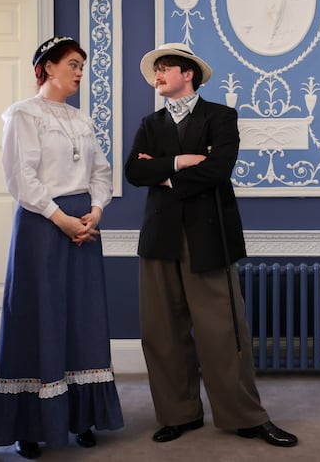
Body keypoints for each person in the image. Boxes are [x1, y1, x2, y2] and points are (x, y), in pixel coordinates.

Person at [125, 42, 298, 448]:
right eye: (156, 70)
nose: (158, 75)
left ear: (188, 74)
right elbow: (134, 170)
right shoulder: (150, 122)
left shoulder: (221, 116)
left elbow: (219, 170)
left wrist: (162, 172)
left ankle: (245, 416)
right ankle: (179, 414)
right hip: (159, 237)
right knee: (161, 332)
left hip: (209, 236)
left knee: (223, 331)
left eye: (166, 68)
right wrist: (181, 163)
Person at [0, 36, 124, 459]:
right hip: (43, 227)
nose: (79, 72)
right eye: (72, 64)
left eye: (82, 65)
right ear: (46, 67)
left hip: (82, 225)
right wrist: (61, 218)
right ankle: (30, 426)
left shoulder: (81, 120)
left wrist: (96, 211)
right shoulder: (23, 115)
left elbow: (101, 170)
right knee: (38, 315)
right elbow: (21, 178)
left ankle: (80, 418)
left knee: (82, 316)